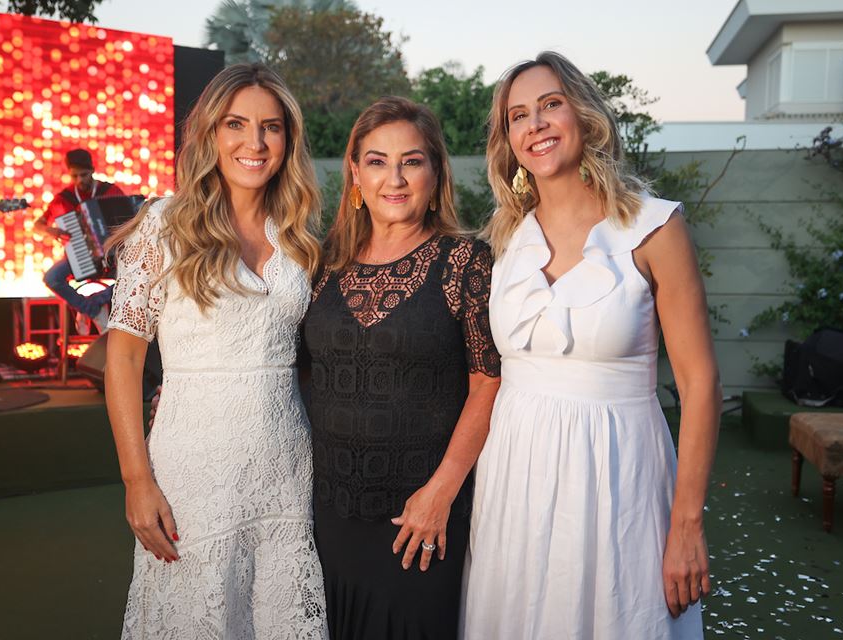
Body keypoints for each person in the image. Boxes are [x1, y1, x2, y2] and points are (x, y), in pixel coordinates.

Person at [461, 52, 721, 639]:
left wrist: (686, 524)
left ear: (584, 114)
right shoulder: (504, 241)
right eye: (518, 116)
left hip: (618, 477)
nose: (536, 125)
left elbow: (701, 384)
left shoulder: (654, 229)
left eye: (550, 104)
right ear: (508, 139)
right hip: (515, 477)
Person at [104, 64, 327, 639]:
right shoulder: (164, 224)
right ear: (209, 133)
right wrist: (136, 478)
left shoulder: (298, 235)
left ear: (288, 140)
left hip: (286, 467)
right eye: (236, 124)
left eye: (271, 127)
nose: (254, 143)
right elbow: (124, 358)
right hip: (191, 468)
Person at [302, 96, 501, 639]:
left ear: (436, 171)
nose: (395, 178)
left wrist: (441, 493)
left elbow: (488, 382)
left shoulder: (465, 260)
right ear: (355, 174)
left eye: (411, 161)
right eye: (377, 161)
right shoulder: (323, 262)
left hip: (419, 519)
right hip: (329, 514)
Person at [34, 148, 126, 334]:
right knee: (51, 278)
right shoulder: (64, 198)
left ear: (92, 170)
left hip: (111, 255)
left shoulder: (110, 191)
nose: (79, 181)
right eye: (74, 176)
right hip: (79, 255)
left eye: (83, 175)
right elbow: (38, 224)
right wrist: (48, 230)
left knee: (132, 278)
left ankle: (92, 303)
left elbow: (130, 220)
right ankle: (92, 309)